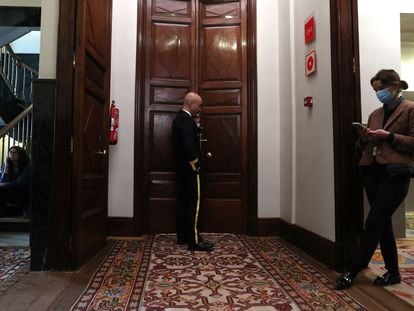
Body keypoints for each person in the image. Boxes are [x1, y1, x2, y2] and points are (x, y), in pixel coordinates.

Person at [336, 69, 414, 289]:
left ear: (395, 86)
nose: (378, 93)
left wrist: (388, 136)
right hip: (371, 171)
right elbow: (369, 145)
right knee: (384, 223)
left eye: (381, 89)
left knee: (373, 221)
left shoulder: (410, 109)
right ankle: (393, 272)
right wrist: (364, 137)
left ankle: (354, 269)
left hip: (396, 172)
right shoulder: (375, 113)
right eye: (375, 90)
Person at [172, 92, 214, 252]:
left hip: (181, 170)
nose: (200, 108)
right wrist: (196, 165)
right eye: (199, 105)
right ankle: (194, 241)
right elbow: (189, 146)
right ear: (191, 104)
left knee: (183, 203)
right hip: (190, 171)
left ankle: (183, 236)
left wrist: (196, 125)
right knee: (193, 204)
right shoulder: (187, 121)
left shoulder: (179, 119)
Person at [0, 146, 31, 217]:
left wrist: (3, 185)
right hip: (10, 193)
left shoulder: (27, 167)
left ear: (20, 154)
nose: (12, 154)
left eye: (15, 152)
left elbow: (20, 183)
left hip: (23, 194)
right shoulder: (8, 166)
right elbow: (3, 181)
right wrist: (6, 168)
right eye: (10, 152)